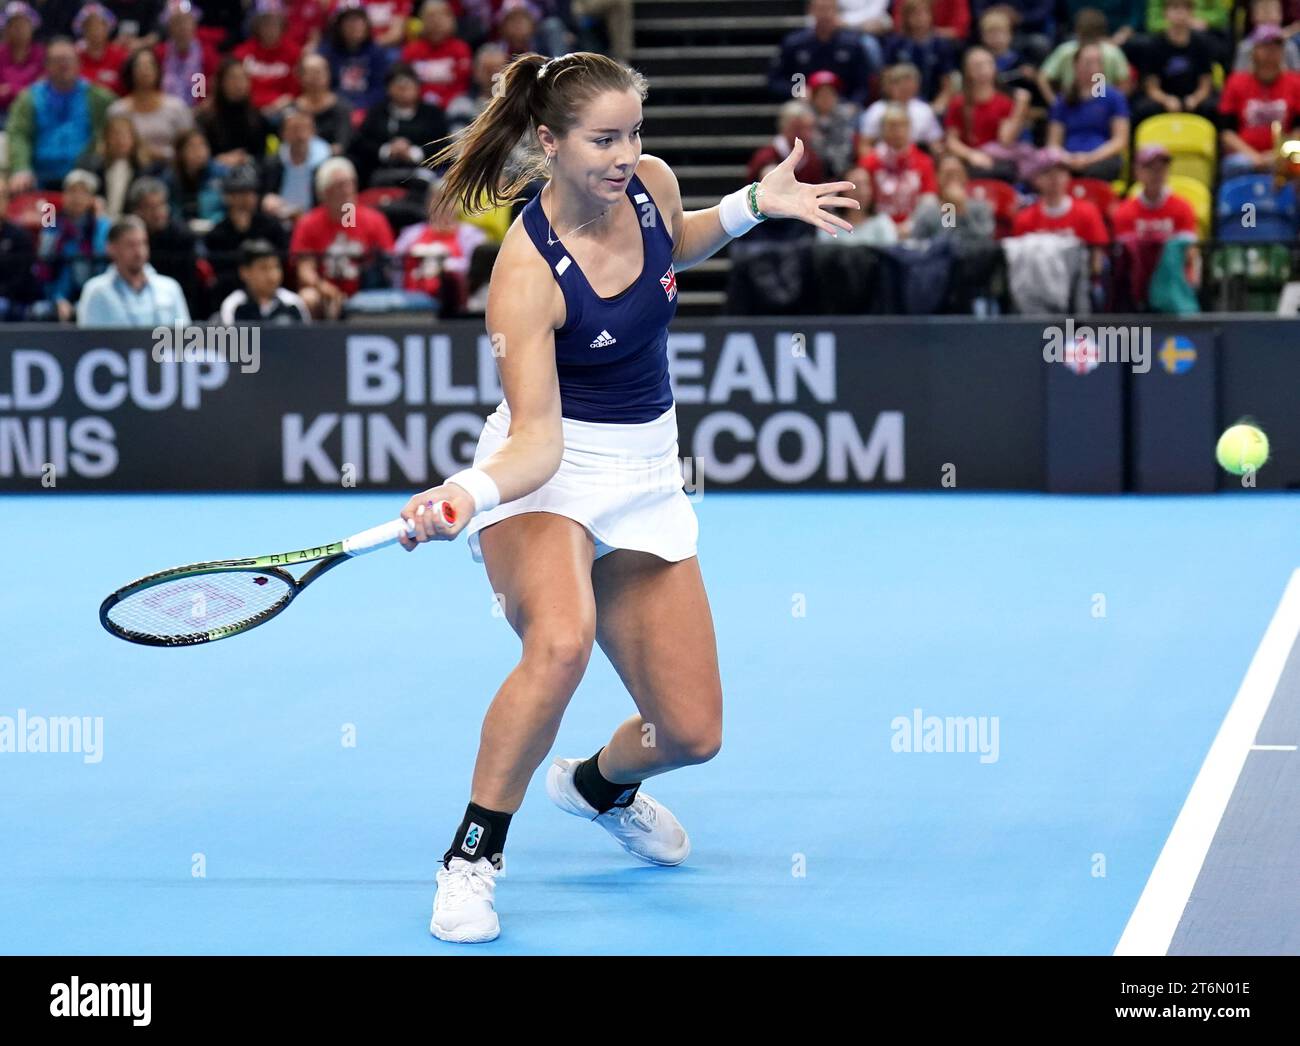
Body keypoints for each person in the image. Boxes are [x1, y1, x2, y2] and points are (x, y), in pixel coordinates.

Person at [405, 50, 855, 944]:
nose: (624, 154)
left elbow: (675, 244)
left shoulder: (648, 183)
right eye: (602, 139)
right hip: (548, 473)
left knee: (691, 732)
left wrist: (753, 206)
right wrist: (466, 491)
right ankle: (470, 859)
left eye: (633, 134)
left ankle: (597, 786)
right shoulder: (525, 274)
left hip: (647, 474)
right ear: (549, 142)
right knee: (561, 643)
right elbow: (537, 440)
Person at [5, 37, 118, 193]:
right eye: (57, 60)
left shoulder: (99, 97)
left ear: (78, 64)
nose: (64, 64)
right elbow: (18, 134)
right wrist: (21, 167)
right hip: (39, 177)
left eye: (68, 59)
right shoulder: (29, 98)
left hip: (84, 177)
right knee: (45, 215)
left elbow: (111, 130)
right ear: (46, 65)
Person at [288, 155, 395, 317]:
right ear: (324, 192)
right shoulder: (308, 223)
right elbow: (304, 270)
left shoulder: (375, 220)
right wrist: (324, 287)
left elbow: (389, 263)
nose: (347, 190)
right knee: (308, 297)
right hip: (326, 291)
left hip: (366, 290)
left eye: (350, 183)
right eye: (339, 186)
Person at [76, 214, 191, 325]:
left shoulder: (170, 288)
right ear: (111, 248)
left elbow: (183, 338)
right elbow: (88, 340)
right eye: (131, 245)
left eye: (143, 243)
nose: (139, 252)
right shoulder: (96, 291)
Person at [1219, 25, 1300, 176]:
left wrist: (1278, 154)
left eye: (1276, 47)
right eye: (1266, 47)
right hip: (1245, 156)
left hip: (1284, 154)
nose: (1271, 53)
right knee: (1233, 164)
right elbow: (1227, 133)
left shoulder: (1295, 83)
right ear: (1254, 51)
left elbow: (1298, 129)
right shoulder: (1236, 82)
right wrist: (1254, 157)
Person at [1045, 42, 1130, 181]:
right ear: (1076, 66)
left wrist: (1089, 159)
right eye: (1088, 63)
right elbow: (1053, 143)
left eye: (1098, 62)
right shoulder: (1063, 100)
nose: (1094, 67)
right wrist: (1068, 159)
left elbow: (1120, 140)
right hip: (1068, 160)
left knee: (1098, 171)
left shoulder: (1113, 97)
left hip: (1101, 159)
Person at [37, 167, 112, 321]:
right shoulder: (51, 224)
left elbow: (103, 264)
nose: (76, 197)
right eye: (71, 191)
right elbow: (44, 265)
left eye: (83, 192)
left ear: (92, 199)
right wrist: (58, 298)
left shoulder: (103, 226)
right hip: (57, 295)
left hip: (93, 293)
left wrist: (98, 224)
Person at [1133, 0, 1218, 125]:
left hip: (1193, 96)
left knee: (1212, 107)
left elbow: (1205, 83)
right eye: (1175, 8)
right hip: (1165, 96)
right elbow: (1151, 87)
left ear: (1191, 13)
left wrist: (1195, 99)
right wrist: (1166, 100)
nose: (1180, 13)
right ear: (1165, 13)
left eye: (1184, 8)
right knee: (1143, 109)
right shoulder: (1154, 45)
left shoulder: (1202, 43)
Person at [108, 45, 195, 166]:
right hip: (131, 168)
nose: (145, 70)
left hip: (172, 170)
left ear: (158, 70)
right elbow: (111, 149)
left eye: (150, 65)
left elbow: (189, 147)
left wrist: (163, 154)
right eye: (140, 66)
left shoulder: (177, 107)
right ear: (131, 71)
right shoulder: (117, 111)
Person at [218, 237, 309, 323]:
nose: (272, 275)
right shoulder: (234, 305)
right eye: (263, 268)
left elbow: (305, 337)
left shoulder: (293, 303)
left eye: (276, 267)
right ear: (244, 272)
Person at [401, 1, 473, 110]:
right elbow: (407, 83)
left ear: (451, 19)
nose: (436, 21)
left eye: (442, 15)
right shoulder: (411, 50)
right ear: (422, 21)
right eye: (430, 16)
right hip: (418, 107)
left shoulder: (461, 49)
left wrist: (442, 101)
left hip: (451, 106)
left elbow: (461, 85)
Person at [858, 62, 943, 150]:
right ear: (889, 86)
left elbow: (935, 143)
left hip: (916, 157)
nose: (906, 87)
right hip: (883, 159)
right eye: (900, 83)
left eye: (909, 83)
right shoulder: (876, 110)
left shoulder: (924, 110)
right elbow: (865, 145)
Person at [72, 2, 127, 96]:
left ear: (108, 28)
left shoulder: (121, 55)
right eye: (90, 26)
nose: (95, 30)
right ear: (82, 30)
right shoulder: (75, 57)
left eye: (100, 25)